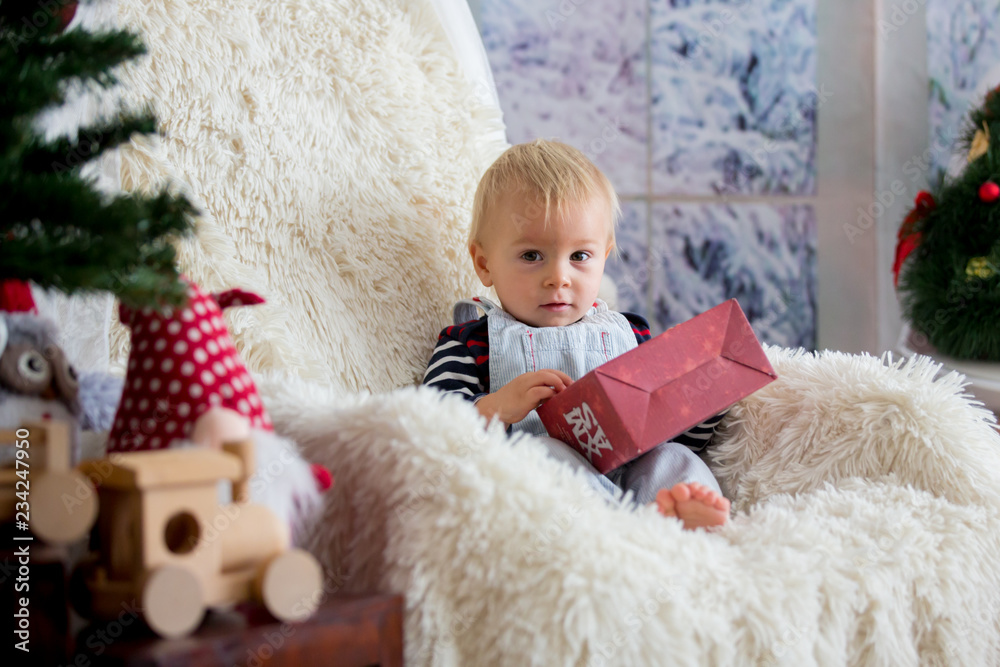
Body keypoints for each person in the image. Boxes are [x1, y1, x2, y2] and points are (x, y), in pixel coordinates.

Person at [422, 139, 729, 529]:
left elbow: (677, 433)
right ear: (484, 264)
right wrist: (494, 408)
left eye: (580, 256)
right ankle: (626, 532)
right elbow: (427, 431)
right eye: (532, 256)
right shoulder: (470, 342)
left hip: (636, 480)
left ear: (604, 256)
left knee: (676, 459)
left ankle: (686, 522)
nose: (559, 278)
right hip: (556, 513)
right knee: (540, 454)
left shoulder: (630, 333)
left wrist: (702, 400)